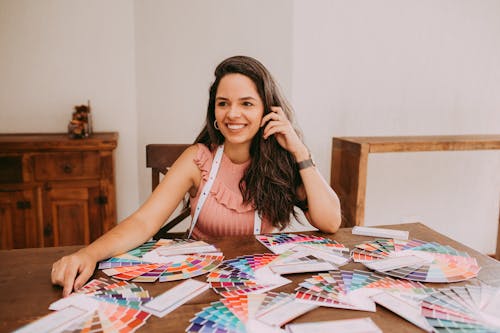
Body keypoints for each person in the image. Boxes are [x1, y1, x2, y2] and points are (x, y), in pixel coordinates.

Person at [51, 55, 341, 296]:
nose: (232, 114)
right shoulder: (197, 159)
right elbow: (144, 222)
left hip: (258, 287)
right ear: (214, 109)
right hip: (198, 287)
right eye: (223, 102)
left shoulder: (281, 163)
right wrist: (88, 254)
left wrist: (300, 152)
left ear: (267, 110)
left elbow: (330, 222)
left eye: (247, 103)